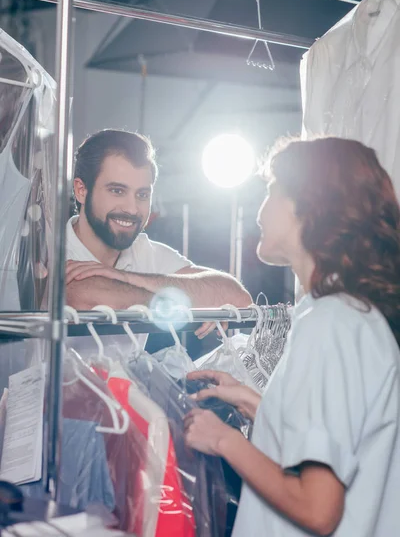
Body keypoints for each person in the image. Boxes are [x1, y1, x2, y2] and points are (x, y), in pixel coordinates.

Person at [184, 136, 400, 536]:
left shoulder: (332, 323)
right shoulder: (346, 315)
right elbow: (342, 435)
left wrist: (224, 440)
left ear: (311, 207)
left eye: (271, 192)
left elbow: (318, 509)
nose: (260, 210)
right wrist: (257, 404)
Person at [65, 129, 251, 338]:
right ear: (81, 190)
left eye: (142, 195)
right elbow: (85, 296)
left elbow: (237, 297)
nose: (132, 209)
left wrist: (124, 277)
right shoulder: (48, 250)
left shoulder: (145, 251)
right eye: (117, 191)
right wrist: (192, 302)